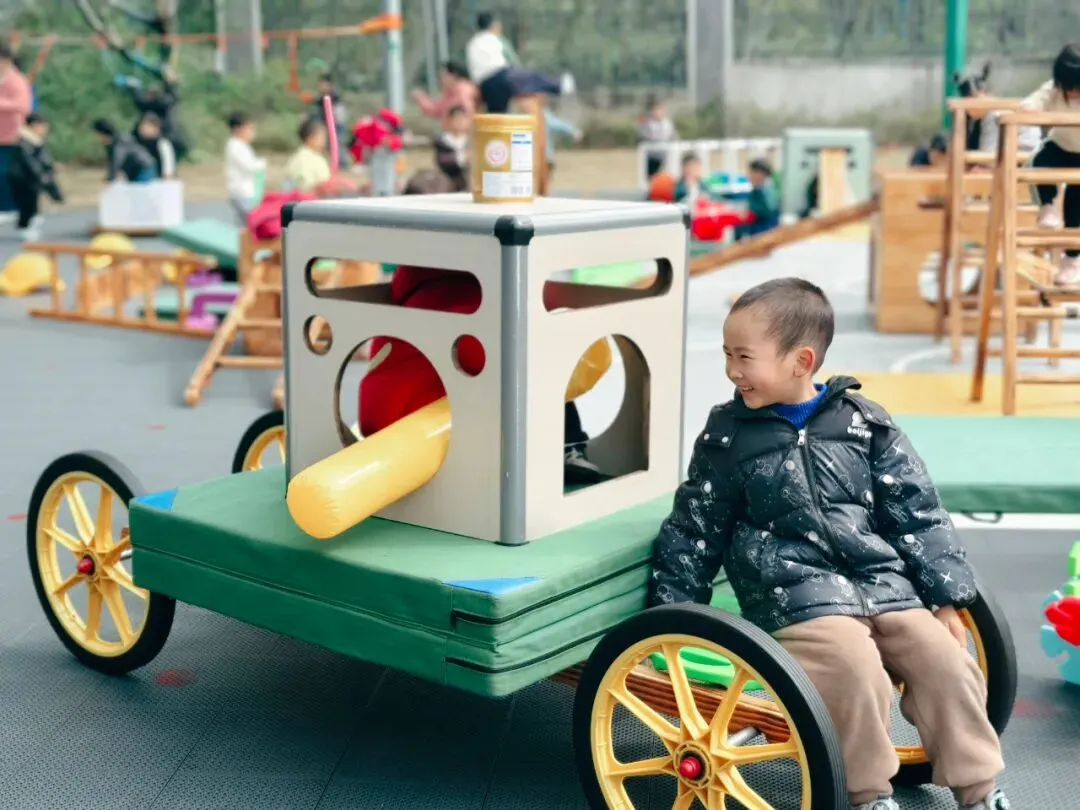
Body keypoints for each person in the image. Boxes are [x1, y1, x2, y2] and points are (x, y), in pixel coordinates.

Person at [646, 277, 1010, 810]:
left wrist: (946, 600)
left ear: (802, 361)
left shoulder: (864, 424)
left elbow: (918, 511)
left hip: (883, 586)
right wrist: (672, 616)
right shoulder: (728, 437)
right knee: (853, 669)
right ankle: (866, 792)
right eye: (727, 354)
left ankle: (979, 789)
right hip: (797, 597)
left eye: (744, 357)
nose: (732, 370)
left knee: (945, 661)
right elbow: (694, 526)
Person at [359, 169, 605, 485]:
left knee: (513, 363)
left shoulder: (411, 286)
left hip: (379, 415)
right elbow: (484, 354)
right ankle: (565, 446)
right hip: (423, 427)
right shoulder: (459, 292)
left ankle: (555, 447)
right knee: (535, 364)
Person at [1020, 43, 1080, 286]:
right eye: (1068, 86)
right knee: (1038, 161)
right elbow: (1031, 103)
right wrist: (1030, 110)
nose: (1073, 91)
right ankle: (1047, 207)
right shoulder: (1053, 89)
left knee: (1076, 206)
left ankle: (1072, 261)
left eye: (1078, 86)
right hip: (1061, 145)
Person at [465, 11, 574, 114]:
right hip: (502, 77)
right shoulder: (496, 39)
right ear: (494, 25)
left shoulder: (472, 43)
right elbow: (512, 60)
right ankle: (559, 85)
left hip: (484, 86)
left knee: (497, 115)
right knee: (534, 77)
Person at [7, 112, 62, 242]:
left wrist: (50, 166)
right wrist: (41, 174)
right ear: (34, 126)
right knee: (27, 204)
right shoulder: (24, 141)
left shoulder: (34, 140)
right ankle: (24, 228)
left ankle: (27, 226)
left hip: (30, 178)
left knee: (32, 203)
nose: (44, 129)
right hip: (22, 178)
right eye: (43, 126)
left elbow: (42, 158)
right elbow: (29, 162)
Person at [0, 42, 32, 225]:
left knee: (7, 174)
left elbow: (24, 106)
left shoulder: (17, 81)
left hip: (12, 136)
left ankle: (10, 208)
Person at [224, 112, 267, 224]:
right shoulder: (235, 146)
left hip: (245, 191)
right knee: (250, 222)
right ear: (238, 130)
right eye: (249, 129)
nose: (252, 133)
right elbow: (249, 167)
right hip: (242, 193)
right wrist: (261, 163)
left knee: (244, 223)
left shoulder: (242, 146)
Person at [413, 60, 477, 132]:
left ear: (453, 76)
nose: (441, 79)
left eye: (443, 76)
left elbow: (466, 117)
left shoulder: (463, 93)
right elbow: (435, 109)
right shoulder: (450, 92)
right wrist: (421, 99)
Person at [92, 119, 157, 183]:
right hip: (135, 170)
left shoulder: (120, 142)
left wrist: (111, 177)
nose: (97, 137)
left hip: (144, 168)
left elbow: (117, 159)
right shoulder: (111, 143)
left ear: (102, 133)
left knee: (142, 189)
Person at [734, 158, 781, 239]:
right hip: (759, 231)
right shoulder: (759, 189)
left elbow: (768, 211)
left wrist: (749, 213)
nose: (749, 176)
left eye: (751, 173)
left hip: (765, 232)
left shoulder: (768, 190)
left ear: (760, 174)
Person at [284, 117, 331, 194]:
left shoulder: (315, 157)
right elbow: (306, 187)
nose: (324, 140)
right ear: (310, 138)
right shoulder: (303, 159)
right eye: (322, 136)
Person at [310, 74, 348, 168]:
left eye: (323, 84)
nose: (321, 86)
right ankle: (335, 163)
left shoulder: (334, 95)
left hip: (337, 124)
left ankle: (342, 163)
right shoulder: (323, 96)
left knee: (338, 142)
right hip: (328, 124)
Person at [637, 96, 679, 179]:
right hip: (652, 156)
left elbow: (674, 137)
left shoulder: (668, 123)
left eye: (660, 110)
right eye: (655, 110)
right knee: (651, 178)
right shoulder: (647, 123)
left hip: (666, 156)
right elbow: (641, 137)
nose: (658, 112)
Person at [433, 105, 470, 191]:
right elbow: (442, 160)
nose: (460, 122)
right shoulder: (442, 141)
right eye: (457, 119)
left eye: (463, 119)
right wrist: (463, 157)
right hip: (448, 185)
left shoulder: (471, 142)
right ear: (449, 121)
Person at [134, 112, 176, 180]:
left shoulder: (162, 143)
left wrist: (167, 176)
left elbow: (168, 166)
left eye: (148, 127)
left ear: (156, 128)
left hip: (157, 179)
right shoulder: (135, 143)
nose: (144, 129)